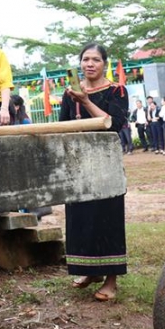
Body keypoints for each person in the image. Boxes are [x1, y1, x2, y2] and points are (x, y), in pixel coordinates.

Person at [60, 43, 128, 301]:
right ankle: (89, 271)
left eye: (96, 60)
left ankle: (111, 280)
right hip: (78, 161)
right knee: (81, 217)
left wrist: (86, 102)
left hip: (106, 161)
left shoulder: (117, 90)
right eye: (85, 59)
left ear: (104, 64)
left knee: (106, 218)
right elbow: (64, 126)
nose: (90, 64)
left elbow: (114, 125)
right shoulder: (70, 94)